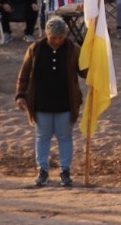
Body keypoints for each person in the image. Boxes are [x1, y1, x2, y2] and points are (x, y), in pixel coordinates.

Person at [15, 17, 82, 188]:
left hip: (65, 102)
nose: (57, 41)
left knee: (65, 137)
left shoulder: (73, 49)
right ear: (47, 34)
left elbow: (85, 71)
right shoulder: (35, 48)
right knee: (42, 137)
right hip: (41, 102)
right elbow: (24, 73)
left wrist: (96, 65)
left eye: (61, 37)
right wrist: (21, 95)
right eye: (54, 38)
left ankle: (65, 171)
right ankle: (42, 171)